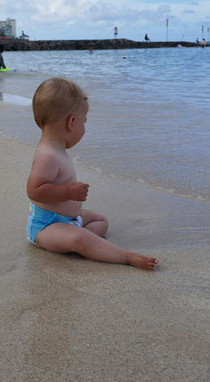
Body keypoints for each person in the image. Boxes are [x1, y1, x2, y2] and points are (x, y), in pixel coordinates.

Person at [26, 78, 158, 270]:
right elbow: (35, 191)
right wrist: (68, 192)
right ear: (72, 122)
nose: (84, 128)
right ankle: (126, 257)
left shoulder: (57, 149)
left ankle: (83, 244)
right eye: (84, 121)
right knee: (79, 238)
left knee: (100, 220)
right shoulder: (48, 155)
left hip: (69, 220)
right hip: (46, 227)